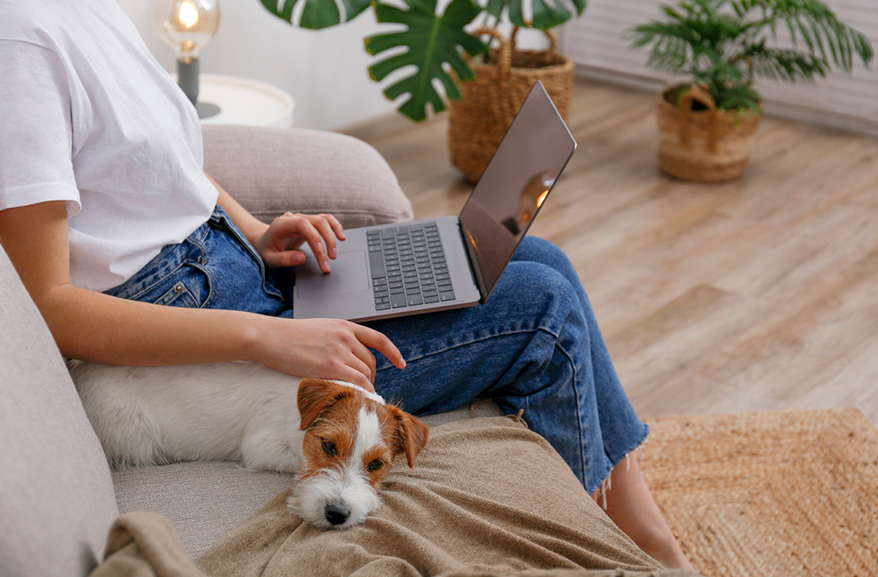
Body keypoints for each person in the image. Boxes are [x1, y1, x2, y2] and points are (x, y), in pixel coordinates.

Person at [0, 0, 692, 570]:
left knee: (538, 255)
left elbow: (167, 164)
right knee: (544, 308)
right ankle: (634, 541)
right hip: (203, 341)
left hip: (238, 277)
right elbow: (49, 305)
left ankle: (624, 503)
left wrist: (260, 232)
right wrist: (276, 339)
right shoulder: (21, 44)